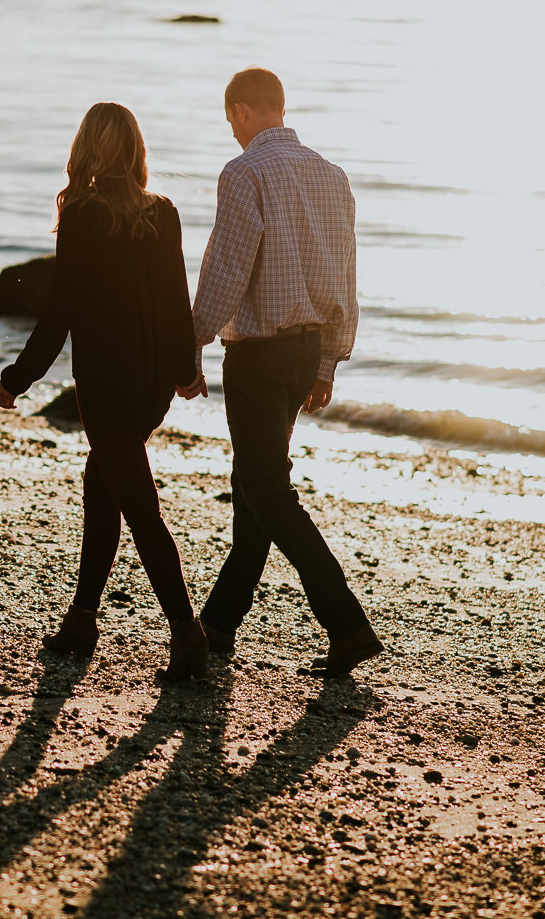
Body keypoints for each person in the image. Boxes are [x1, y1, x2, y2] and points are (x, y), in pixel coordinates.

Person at [0, 102, 210, 682]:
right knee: (103, 487)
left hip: (107, 383)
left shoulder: (84, 214)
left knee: (140, 509)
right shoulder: (162, 213)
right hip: (151, 385)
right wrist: (185, 369)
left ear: (89, 148)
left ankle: (188, 636)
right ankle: (83, 618)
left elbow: (61, 309)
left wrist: (18, 378)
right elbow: (174, 300)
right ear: (137, 150)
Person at [179, 67, 383, 677]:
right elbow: (344, 274)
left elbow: (228, 265)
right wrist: (327, 360)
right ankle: (219, 621)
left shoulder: (244, 172)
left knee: (268, 490)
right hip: (304, 353)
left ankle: (347, 625)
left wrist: (190, 341)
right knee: (255, 487)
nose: (232, 131)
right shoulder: (331, 175)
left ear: (241, 111)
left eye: (230, 119)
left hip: (261, 357)